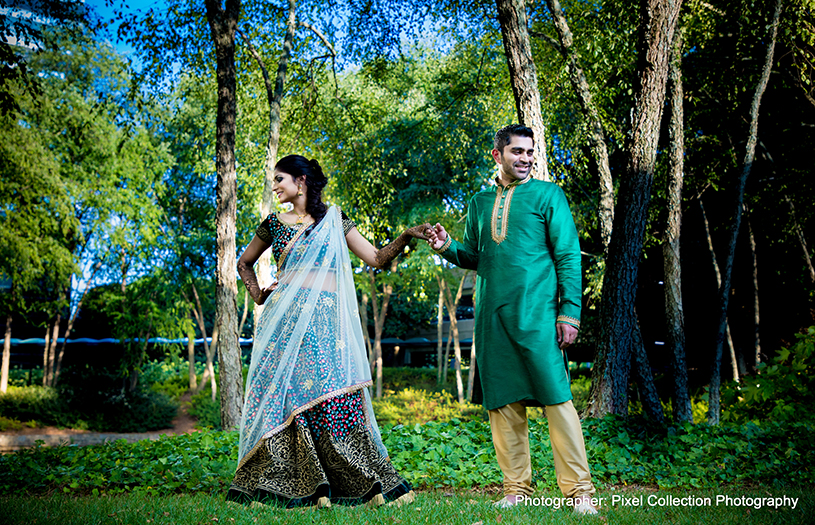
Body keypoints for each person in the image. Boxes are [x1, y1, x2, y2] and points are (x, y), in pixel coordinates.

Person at [227, 154, 425, 508]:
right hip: (284, 324)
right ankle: (288, 482)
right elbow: (244, 262)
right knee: (287, 397)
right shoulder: (273, 222)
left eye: (279, 179)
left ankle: (352, 480)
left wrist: (406, 236)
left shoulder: (335, 219)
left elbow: (376, 258)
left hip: (326, 325)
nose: (274, 186)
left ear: (301, 181)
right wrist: (257, 295)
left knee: (333, 394)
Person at [426, 124, 598, 515]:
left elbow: (569, 255)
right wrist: (446, 247)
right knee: (503, 404)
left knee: (558, 400)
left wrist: (569, 312)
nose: (525, 158)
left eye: (529, 152)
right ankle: (516, 487)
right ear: (497, 154)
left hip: (538, 315)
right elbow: (475, 255)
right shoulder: (479, 202)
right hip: (492, 317)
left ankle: (580, 492)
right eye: (517, 151)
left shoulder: (548, 195)